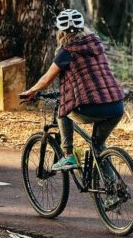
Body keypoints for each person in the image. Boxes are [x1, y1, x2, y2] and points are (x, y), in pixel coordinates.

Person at [19, 9, 125, 172]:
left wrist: (31, 91)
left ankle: (68, 155)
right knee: (98, 146)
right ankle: (114, 188)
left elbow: (47, 79)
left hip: (91, 106)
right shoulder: (96, 44)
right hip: (116, 105)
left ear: (60, 32)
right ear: (83, 28)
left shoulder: (66, 52)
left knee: (64, 108)